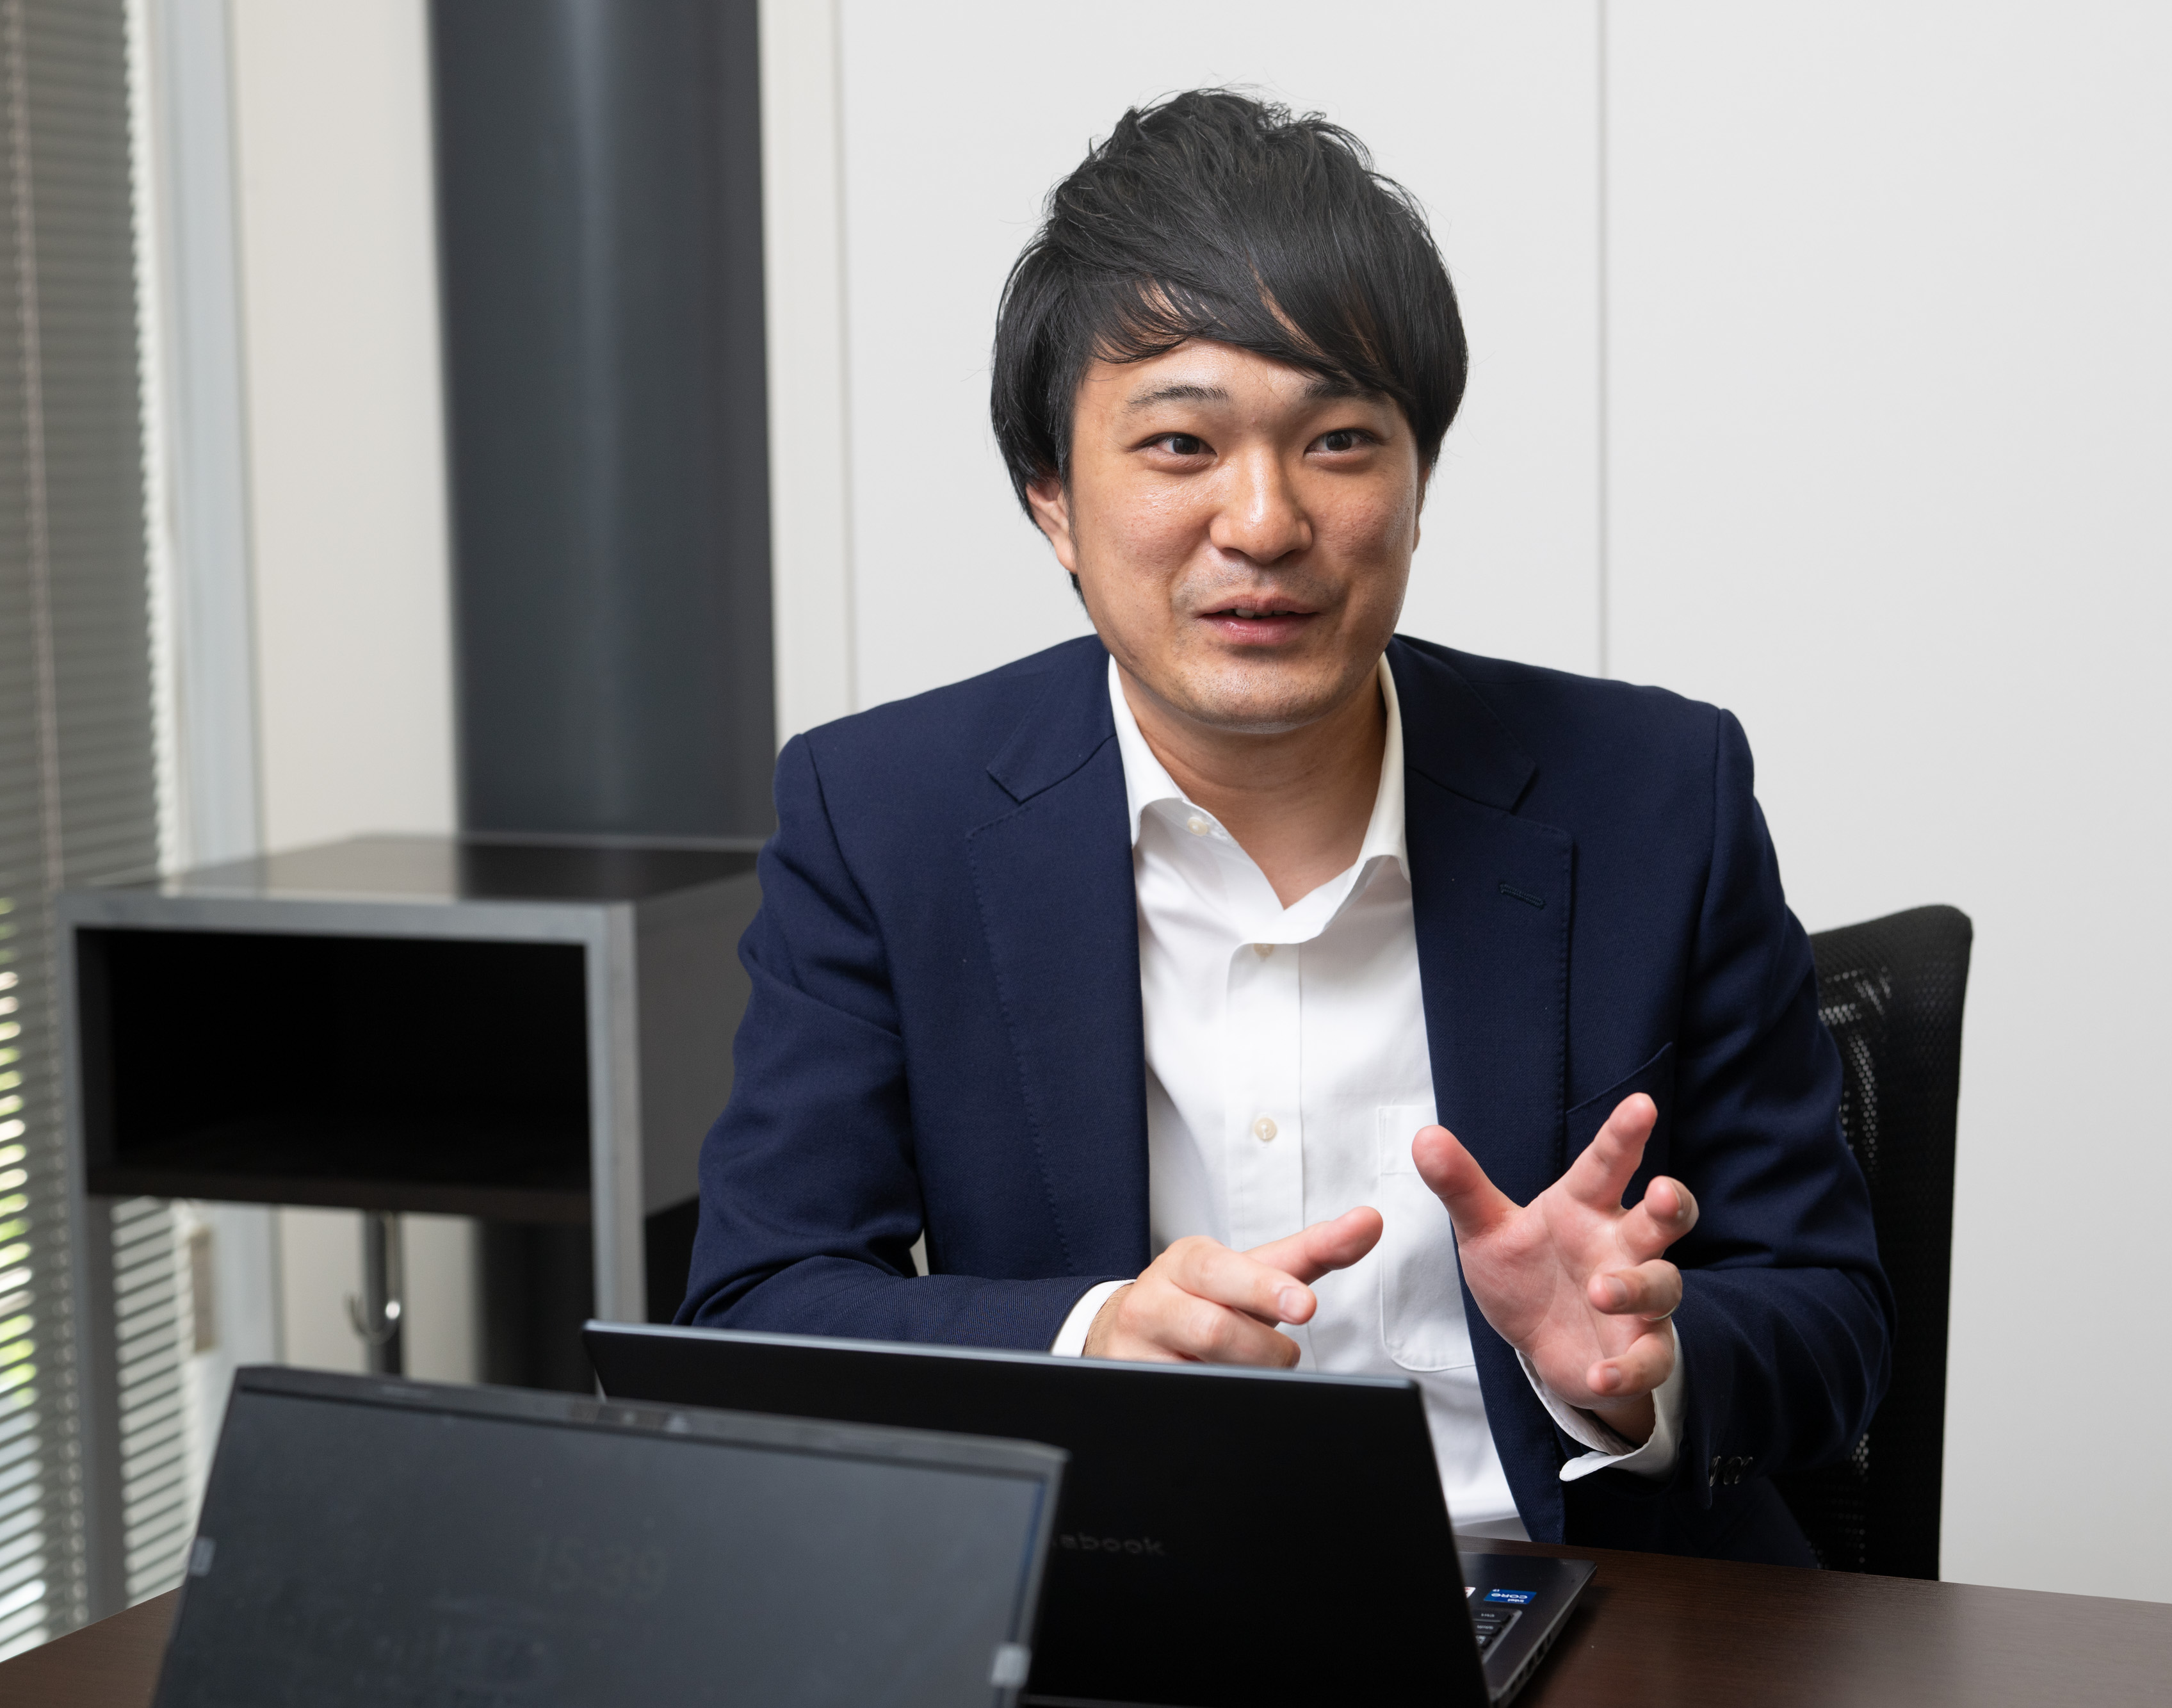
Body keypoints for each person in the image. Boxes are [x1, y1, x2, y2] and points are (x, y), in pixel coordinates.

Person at [680, 90, 1888, 1561]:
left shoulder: (1651, 793)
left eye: (1337, 440)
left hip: (1578, 1585)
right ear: (1052, 500)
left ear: (1416, 484)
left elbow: (1831, 1319)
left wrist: (1639, 1365)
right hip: (1116, 1593)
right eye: (1180, 444)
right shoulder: (883, 818)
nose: (1261, 522)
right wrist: (1089, 1338)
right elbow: (759, 1305)